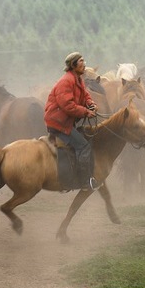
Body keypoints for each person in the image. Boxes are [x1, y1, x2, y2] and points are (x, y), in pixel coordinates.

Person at [44, 52, 98, 191]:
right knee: (83, 146)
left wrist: (90, 104)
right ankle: (84, 182)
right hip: (59, 123)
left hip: (66, 122)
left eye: (84, 60)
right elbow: (67, 106)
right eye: (81, 61)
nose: (84, 63)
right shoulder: (66, 81)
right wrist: (86, 112)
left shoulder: (78, 79)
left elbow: (85, 95)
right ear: (73, 65)